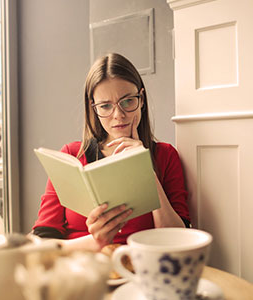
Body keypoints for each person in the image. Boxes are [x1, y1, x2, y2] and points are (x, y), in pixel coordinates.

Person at [32, 53, 190, 251]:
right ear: (94, 109)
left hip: (141, 268)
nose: (118, 115)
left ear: (141, 100)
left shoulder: (165, 155)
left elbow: (180, 241)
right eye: (105, 106)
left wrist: (146, 172)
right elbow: (42, 243)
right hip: (83, 269)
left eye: (128, 101)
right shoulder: (71, 154)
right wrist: (95, 241)